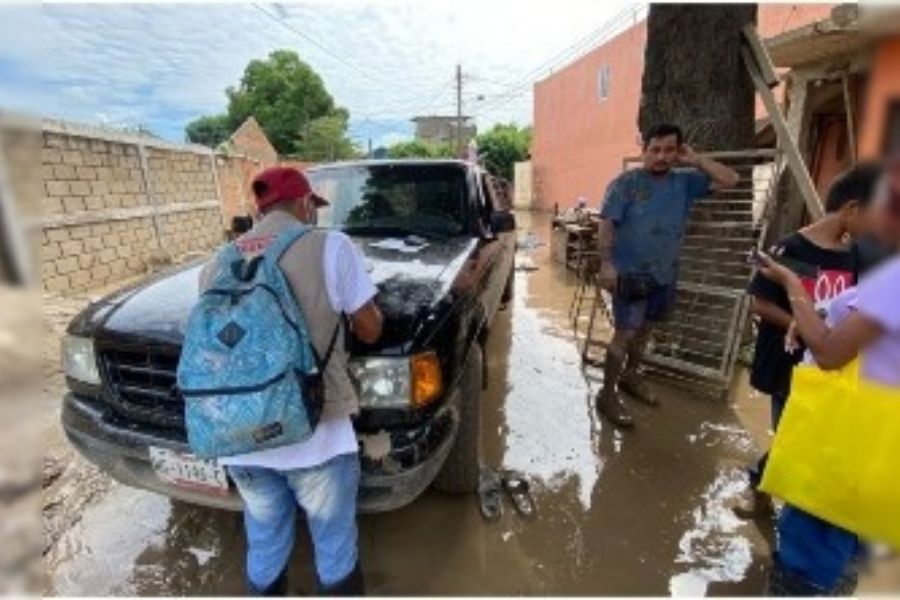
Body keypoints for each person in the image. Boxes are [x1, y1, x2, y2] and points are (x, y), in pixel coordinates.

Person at [199, 166, 383, 596]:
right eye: (312, 207)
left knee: (263, 542)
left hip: (241, 435)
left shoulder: (218, 263)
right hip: (317, 432)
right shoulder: (331, 246)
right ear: (304, 204)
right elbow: (370, 328)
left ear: (258, 210)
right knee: (334, 547)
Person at [757, 156, 900, 596]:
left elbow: (834, 351)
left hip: (841, 434)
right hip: (865, 437)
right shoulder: (792, 247)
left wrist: (797, 292)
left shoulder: (882, 272)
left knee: (810, 546)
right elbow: (760, 303)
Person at [735, 163, 883, 519]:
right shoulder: (788, 249)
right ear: (852, 209)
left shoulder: (859, 257)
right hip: (789, 362)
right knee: (791, 433)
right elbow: (760, 303)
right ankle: (761, 489)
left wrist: (828, 337)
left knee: (807, 436)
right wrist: (802, 325)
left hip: (831, 367)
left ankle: (772, 488)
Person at [595, 124, 740, 428]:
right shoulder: (625, 184)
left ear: (678, 152)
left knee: (646, 330)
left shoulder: (684, 183)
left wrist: (696, 160)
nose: (661, 157)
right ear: (644, 151)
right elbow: (607, 225)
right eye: (655, 150)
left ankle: (631, 377)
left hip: (664, 274)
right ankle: (607, 395)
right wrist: (607, 266)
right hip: (630, 274)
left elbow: (731, 180)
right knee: (625, 334)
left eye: (669, 150)